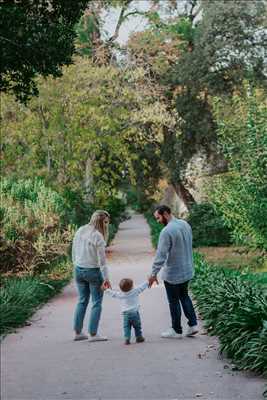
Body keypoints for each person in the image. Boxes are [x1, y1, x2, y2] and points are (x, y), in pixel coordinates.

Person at [148, 205, 198, 338]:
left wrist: (153, 274)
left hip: (173, 273)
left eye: (158, 217)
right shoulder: (185, 224)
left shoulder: (167, 231)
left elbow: (161, 255)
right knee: (184, 296)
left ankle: (176, 330)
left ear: (165, 214)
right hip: (187, 269)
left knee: (174, 301)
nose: (158, 221)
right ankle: (193, 325)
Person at [72, 210, 111, 342]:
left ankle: (78, 333)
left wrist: (76, 265)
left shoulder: (81, 230)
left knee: (82, 300)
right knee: (97, 303)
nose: (106, 225)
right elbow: (102, 262)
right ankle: (93, 334)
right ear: (102, 222)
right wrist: (106, 279)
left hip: (78, 269)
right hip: (93, 272)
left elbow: (73, 250)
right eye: (106, 222)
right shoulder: (97, 236)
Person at [104, 278, 148, 345]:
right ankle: (139, 337)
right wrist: (148, 281)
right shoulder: (135, 291)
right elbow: (142, 287)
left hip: (126, 314)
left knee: (126, 327)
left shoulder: (121, 294)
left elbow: (113, 294)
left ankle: (127, 338)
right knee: (137, 326)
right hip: (135, 313)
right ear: (132, 286)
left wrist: (106, 290)